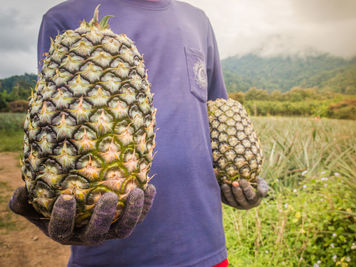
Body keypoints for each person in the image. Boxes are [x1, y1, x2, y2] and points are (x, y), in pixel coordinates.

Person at [9, 0, 269, 266]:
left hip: (204, 241)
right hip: (110, 255)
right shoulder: (64, 17)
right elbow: (51, 128)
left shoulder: (198, 21)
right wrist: (50, 208)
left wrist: (236, 178)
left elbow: (217, 114)